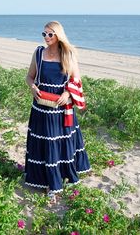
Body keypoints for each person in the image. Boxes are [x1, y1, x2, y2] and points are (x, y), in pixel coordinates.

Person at [25, 21, 91, 203]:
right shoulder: (39, 53)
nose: (46, 38)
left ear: (58, 35)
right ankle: (45, 180)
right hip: (41, 106)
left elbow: (76, 79)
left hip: (61, 108)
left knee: (58, 142)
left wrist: (67, 93)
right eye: (44, 34)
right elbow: (29, 76)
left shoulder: (68, 54)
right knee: (44, 142)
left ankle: (57, 181)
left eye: (50, 34)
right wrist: (32, 87)